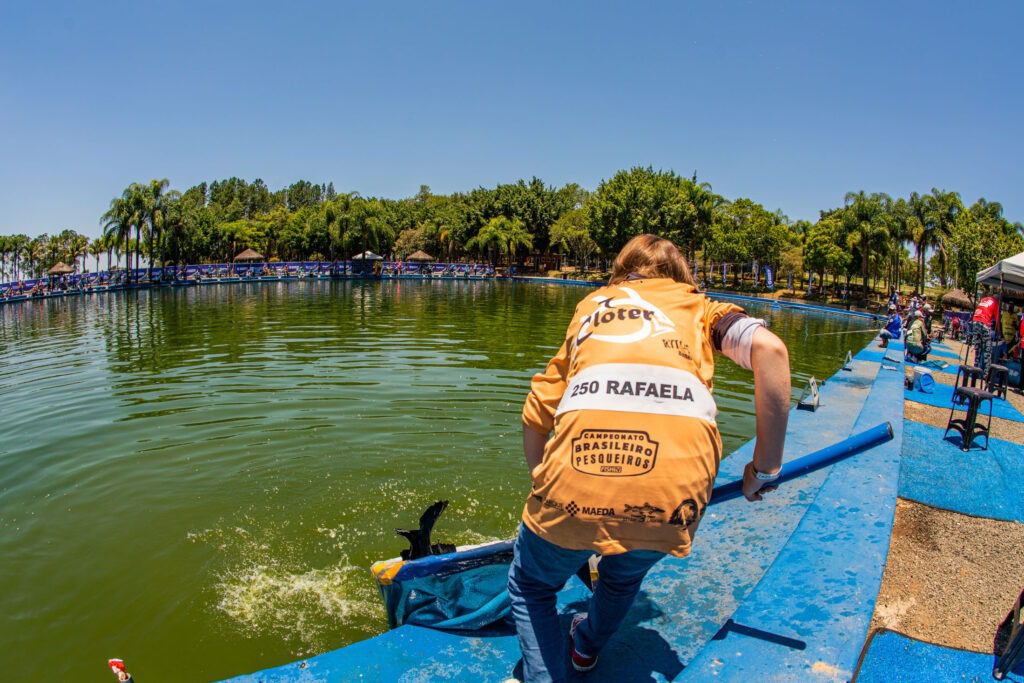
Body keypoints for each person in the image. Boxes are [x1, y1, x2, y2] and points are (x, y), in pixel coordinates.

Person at [508, 234, 791, 682]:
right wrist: (764, 470)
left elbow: (536, 414)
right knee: (621, 578)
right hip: (675, 497)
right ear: (683, 277)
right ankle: (585, 647)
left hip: (571, 485)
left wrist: (547, 492)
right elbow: (771, 351)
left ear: (621, 272)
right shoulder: (703, 310)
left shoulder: (592, 307)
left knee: (531, 585)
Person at [971, 293, 999, 371]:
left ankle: (975, 369)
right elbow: (997, 320)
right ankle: (986, 374)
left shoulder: (984, 299)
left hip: (975, 321)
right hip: (984, 323)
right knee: (987, 350)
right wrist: (999, 333)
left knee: (978, 348)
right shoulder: (995, 302)